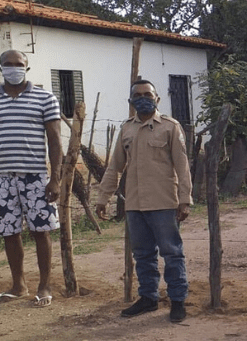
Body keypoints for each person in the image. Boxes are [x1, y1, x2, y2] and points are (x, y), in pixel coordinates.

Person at [0, 49, 62, 308]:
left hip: (35, 177)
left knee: (41, 231)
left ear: (27, 67)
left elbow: (54, 141)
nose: (13, 68)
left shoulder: (45, 98)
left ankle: (44, 286)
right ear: (0, 69)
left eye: (18, 64)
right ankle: (18, 285)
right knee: (9, 233)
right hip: (1, 178)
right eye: (8, 64)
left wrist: (55, 178)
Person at [95, 79, 192, 323]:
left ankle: (177, 301)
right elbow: (115, 166)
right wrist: (103, 197)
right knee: (143, 255)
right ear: (130, 101)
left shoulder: (170, 127)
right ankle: (148, 298)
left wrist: (184, 200)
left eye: (148, 94)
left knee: (172, 253)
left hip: (164, 202)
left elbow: (182, 166)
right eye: (137, 95)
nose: (143, 98)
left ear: (157, 99)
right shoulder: (127, 128)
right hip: (135, 205)